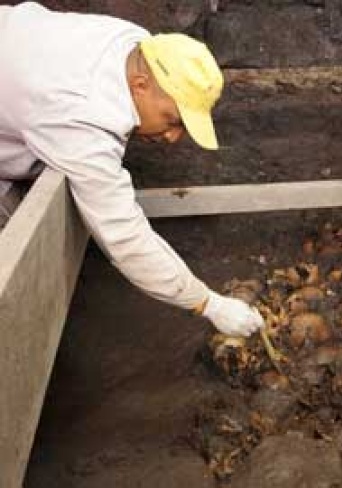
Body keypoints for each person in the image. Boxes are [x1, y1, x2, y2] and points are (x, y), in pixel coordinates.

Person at [0, 2, 264, 336]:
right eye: (173, 120)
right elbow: (124, 237)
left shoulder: (133, 43)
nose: (172, 137)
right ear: (139, 85)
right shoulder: (80, 119)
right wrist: (208, 304)